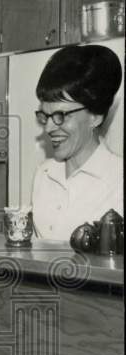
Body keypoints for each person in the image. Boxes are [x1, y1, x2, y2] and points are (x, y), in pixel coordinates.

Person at [31, 44, 123, 241]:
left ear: (95, 117)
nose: (48, 128)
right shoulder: (44, 174)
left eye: (61, 115)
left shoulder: (118, 180)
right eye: (45, 116)